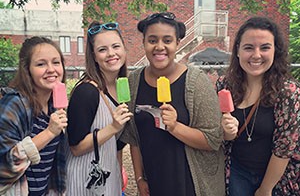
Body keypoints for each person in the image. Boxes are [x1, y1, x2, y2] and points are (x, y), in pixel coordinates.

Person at [120, 12, 225, 196]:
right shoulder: (134, 81)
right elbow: (133, 137)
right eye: (152, 40)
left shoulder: (196, 82)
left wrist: (175, 127)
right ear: (144, 43)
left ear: (177, 43)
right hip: (154, 182)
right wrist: (139, 178)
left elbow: (213, 140)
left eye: (167, 40)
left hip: (190, 183)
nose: (159, 47)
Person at [216, 16, 300, 196]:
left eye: (265, 48)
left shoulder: (288, 93)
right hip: (238, 173)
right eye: (248, 47)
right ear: (237, 50)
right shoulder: (224, 86)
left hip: (278, 177)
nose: (256, 55)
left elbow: (285, 147)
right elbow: (215, 134)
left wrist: (265, 189)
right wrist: (225, 133)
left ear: (275, 52)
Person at [65, 21, 132, 196]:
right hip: (84, 183)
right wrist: (113, 128)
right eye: (102, 49)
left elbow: (117, 147)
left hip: (109, 181)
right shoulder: (86, 92)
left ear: (124, 50)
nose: (111, 53)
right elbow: (76, 147)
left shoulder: (122, 90)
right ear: (94, 56)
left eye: (116, 46)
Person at [0, 36, 68, 195]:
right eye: (41, 64)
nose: (51, 69)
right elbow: (3, 167)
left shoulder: (54, 106)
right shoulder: (13, 105)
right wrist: (49, 133)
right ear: (27, 70)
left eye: (56, 62)